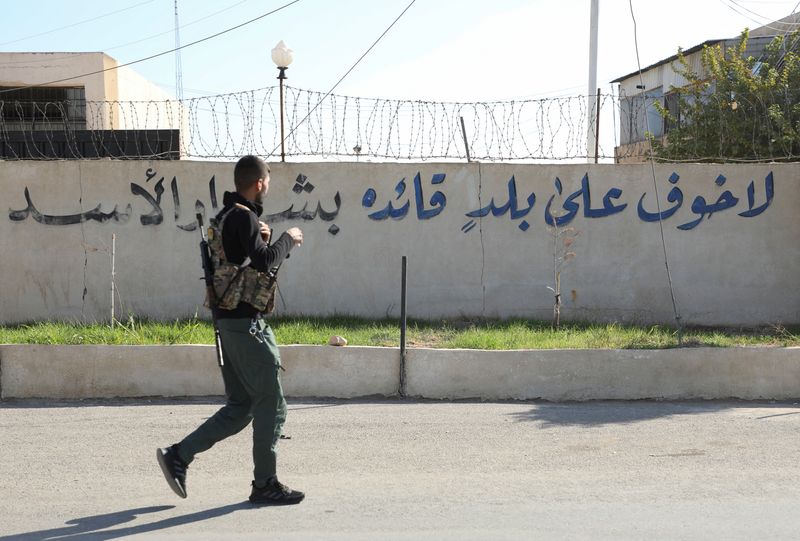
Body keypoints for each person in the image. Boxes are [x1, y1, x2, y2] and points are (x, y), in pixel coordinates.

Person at [157, 154, 305, 505]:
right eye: (266, 181)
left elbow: (247, 255)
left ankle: (179, 455)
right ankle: (265, 482)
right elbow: (266, 261)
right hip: (245, 325)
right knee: (271, 401)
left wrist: (265, 235)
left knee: (241, 406)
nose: (267, 186)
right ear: (259, 183)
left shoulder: (227, 216)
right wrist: (288, 238)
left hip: (230, 324)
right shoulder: (244, 216)